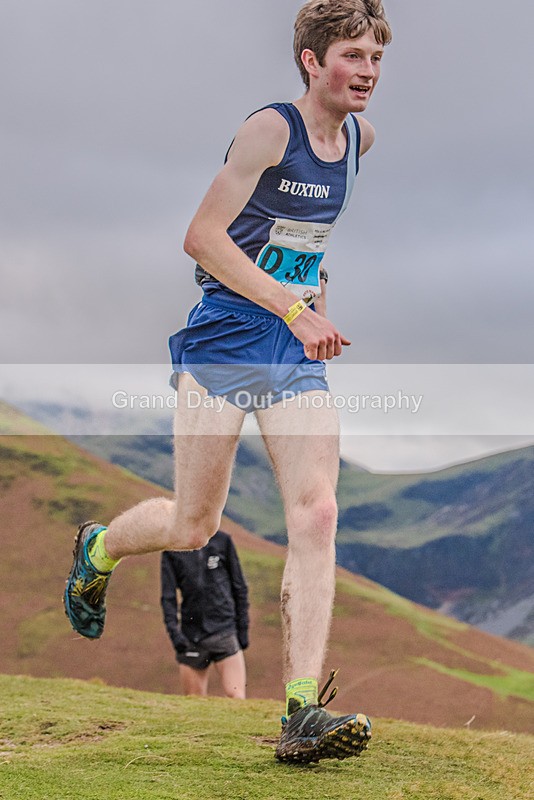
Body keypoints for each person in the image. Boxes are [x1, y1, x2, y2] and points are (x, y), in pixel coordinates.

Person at [64, 0, 392, 763]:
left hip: (293, 353)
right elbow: (202, 237)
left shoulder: (359, 141)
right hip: (225, 338)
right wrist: (292, 307)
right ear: (312, 60)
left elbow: (309, 241)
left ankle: (301, 713)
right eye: (352, 56)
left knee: (317, 513)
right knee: (193, 524)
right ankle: (100, 548)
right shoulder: (270, 130)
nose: (368, 72)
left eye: (376, 58)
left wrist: (315, 302)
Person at [161, 529, 249, 699]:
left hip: (224, 632)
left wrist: (243, 629)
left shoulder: (223, 541)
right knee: (194, 702)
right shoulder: (173, 548)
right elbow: (168, 597)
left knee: (237, 697)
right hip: (191, 637)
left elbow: (239, 587)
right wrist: (175, 635)